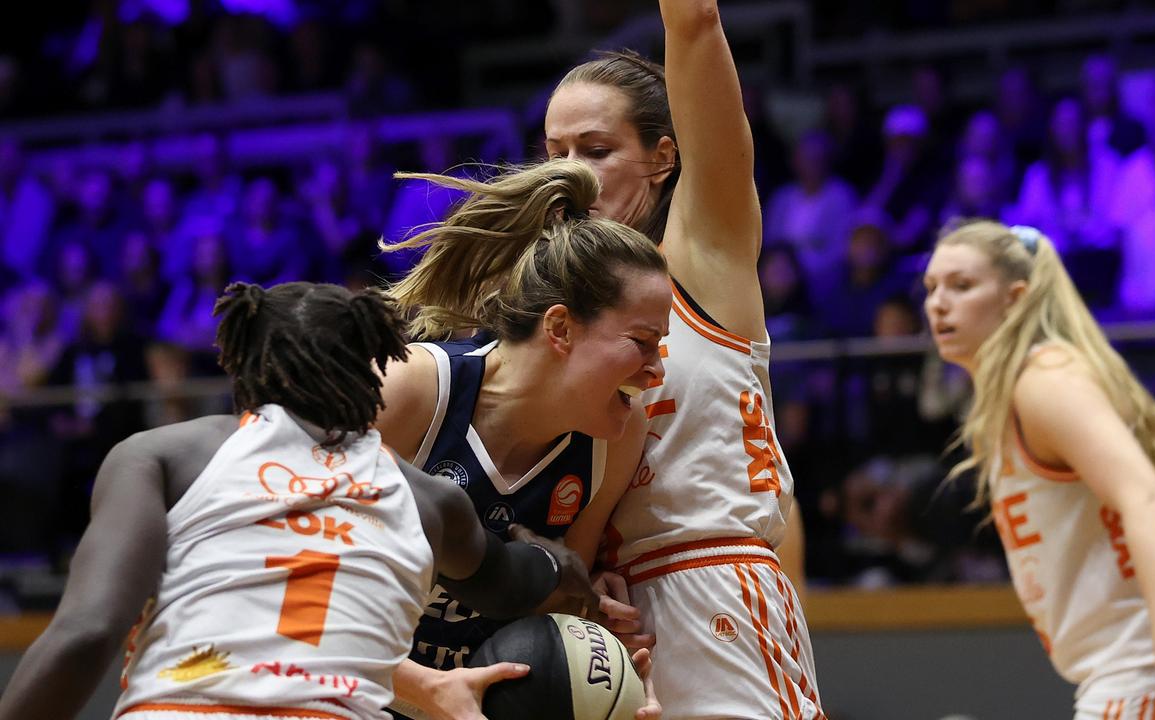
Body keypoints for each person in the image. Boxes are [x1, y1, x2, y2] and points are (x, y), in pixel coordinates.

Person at [0, 282, 599, 720]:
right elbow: (509, 581)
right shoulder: (429, 499)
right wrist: (558, 563)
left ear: (242, 363)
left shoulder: (167, 454)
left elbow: (88, 631)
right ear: (371, 375)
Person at [541, 2, 825, 716]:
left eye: (596, 151)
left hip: (713, 586)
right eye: (555, 154)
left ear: (664, 158)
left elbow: (695, 22)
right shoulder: (547, 313)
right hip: (603, 620)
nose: (570, 174)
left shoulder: (703, 259)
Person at [921, 219, 1155, 719]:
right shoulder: (1013, 394)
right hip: (1148, 661)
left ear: (1015, 299)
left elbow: (1149, 501)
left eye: (961, 286)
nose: (938, 303)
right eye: (931, 288)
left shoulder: (1044, 382)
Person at [376, 158, 669, 720]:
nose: (658, 370)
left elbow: (555, 613)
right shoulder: (409, 387)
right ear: (559, 328)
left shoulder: (617, 436)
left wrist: (611, 681)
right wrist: (422, 687)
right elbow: (282, 579)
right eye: (642, 341)